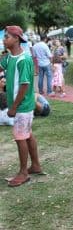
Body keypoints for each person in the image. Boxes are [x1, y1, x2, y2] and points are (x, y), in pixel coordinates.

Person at [0, 26, 42, 187]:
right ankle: (36, 165)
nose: (4, 40)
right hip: (22, 105)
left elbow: (24, 85)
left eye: (7, 37)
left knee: (20, 137)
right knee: (27, 134)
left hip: (22, 106)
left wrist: (13, 107)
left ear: (16, 38)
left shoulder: (23, 59)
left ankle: (23, 172)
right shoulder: (10, 57)